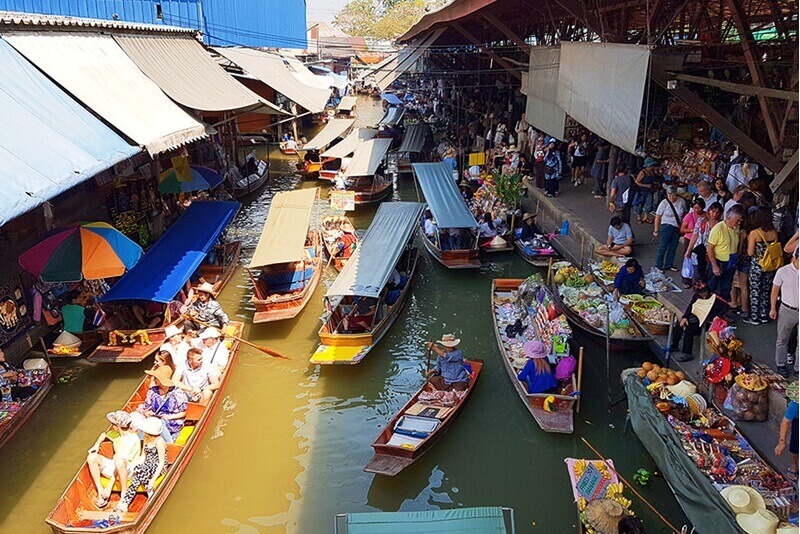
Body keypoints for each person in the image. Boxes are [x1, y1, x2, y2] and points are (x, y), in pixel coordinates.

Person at [86, 411, 141, 508]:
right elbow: (104, 434)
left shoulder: (133, 439)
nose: (111, 425)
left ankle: (124, 496)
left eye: (112, 424)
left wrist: (109, 487)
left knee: (119, 461)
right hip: (115, 466)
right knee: (91, 457)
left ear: (117, 426)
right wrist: (97, 445)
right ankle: (100, 491)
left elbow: (121, 463)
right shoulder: (115, 434)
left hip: (128, 470)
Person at [115, 417, 167, 513]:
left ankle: (127, 501)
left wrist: (153, 480)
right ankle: (127, 502)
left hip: (158, 466)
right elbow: (143, 455)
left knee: (139, 471)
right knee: (137, 474)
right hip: (147, 464)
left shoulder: (160, 441)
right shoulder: (146, 439)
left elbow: (161, 462)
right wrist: (136, 465)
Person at [671, 280, 730, 362]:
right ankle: (674, 346)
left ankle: (687, 353)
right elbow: (690, 306)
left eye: (704, 293)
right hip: (697, 317)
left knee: (689, 331)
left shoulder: (716, 297)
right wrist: (685, 317)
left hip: (709, 322)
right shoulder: (696, 295)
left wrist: (717, 316)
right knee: (680, 325)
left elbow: (726, 306)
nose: (703, 296)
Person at [743, 209, 780, 325]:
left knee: (755, 291)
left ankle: (754, 317)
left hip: (757, 265)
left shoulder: (755, 233)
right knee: (765, 290)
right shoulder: (774, 232)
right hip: (770, 266)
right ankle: (764, 314)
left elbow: (750, 252)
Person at [137, 366, 188, 444]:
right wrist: (148, 414)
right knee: (144, 425)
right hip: (155, 418)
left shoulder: (178, 393)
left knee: (160, 422)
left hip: (172, 421)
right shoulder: (152, 391)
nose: (154, 379)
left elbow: (183, 413)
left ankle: (170, 443)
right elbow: (146, 409)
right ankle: (139, 443)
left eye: (156, 378)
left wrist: (169, 417)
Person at [770, 248, 798, 377]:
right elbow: (775, 291)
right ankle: (780, 364)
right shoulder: (783, 271)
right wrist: (773, 308)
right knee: (782, 339)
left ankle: (798, 367)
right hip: (787, 309)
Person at [707, 204, 745, 301]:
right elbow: (710, 248)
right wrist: (714, 265)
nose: (739, 223)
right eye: (737, 221)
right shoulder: (718, 228)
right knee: (712, 287)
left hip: (730, 262)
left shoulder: (736, 228)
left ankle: (721, 310)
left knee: (726, 288)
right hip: (718, 261)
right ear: (729, 217)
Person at [685, 201, 723, 285]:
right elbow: (695, 236)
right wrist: (688, 251)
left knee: (710, 277)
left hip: (713, 255)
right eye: (713, 211)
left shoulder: (721, 225)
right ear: (709, 211)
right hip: (699, 252)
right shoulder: (701, 221)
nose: (715, 214)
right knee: (698, 276)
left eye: (717, 212)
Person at [653, 186, 687, 272]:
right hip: (666, 226)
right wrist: (656, 230)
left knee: (673, 247)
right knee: (663, 246)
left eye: (673, 195)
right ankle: (658, 265)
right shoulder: (664, 203)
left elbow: (684, 214)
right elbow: (657, 217)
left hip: (676, 227)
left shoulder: (681, 201)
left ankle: (669, 264)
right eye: (670, 195)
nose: (672, 197)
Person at [774, 381, 798, 479]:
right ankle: (793, 465)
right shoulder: (795, 405)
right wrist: (781, 442)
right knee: (795, 445)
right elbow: (786, 422)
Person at [633, 158, 660, 223]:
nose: (652, 167)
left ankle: (646, 216)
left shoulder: (652, 172)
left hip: (649, 191)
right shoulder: (642, 172)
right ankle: (639, 217)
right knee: (640, 204)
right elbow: (637, 182)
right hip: (642, 191)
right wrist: (646, 185)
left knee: (649, 203)